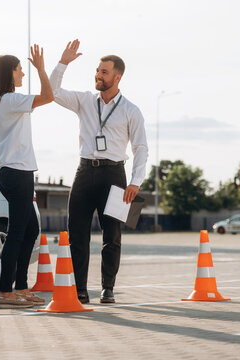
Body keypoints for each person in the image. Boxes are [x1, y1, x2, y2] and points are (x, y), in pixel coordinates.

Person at [50, 40, 149, 304]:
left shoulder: (131, 111)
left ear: (117, 77)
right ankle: (80, 290)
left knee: (112, 235)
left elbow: (141, 148)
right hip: (84, 173)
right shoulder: (84, 101)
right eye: (97, 70)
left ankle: (108, 288)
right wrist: (62, 63)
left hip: (115, 176)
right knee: (77, 234)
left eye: (104, 72)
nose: (98, 75)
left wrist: (136, 182)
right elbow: (53, 91)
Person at [0, 45, 54, 309]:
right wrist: (41, 68)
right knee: (17, 232)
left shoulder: (2, 102)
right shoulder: (10, 100)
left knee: (30, 230)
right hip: (17, 173)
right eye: (20, 70)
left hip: (12, 172)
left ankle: (21, 287)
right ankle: (6, 291)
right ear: (9, 73)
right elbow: (48, 96)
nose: (23, 74)